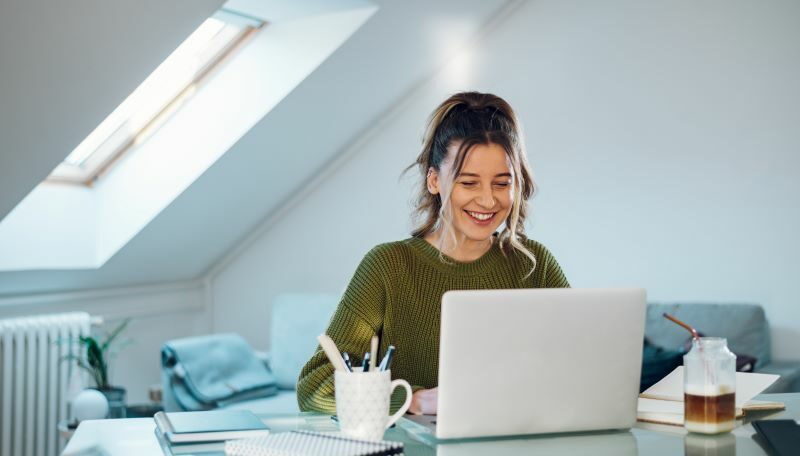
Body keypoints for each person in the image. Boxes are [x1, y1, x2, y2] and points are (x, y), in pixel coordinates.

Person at [297, 91, 570, 415]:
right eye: (468, 183)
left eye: (501, 183)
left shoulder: (533, 265)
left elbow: (580, 368)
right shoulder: (387, 266)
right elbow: (316, 386)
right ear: (434, 180)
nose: (487, 201)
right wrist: (411, 400)